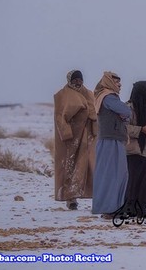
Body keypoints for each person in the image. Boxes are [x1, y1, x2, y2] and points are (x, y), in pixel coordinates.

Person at [53, 70, 97, 210]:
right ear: (69, 80)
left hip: (87, 135)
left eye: (80, 79)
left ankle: (90, 194)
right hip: (71, 138)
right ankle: (70, 198)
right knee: (69, 165)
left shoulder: (89, 94)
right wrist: (66, 134)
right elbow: (60, 116)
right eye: (75, 79)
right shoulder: (62, 95)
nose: (78, 82)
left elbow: (94, 112)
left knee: (88, 165)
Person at [91, 71, 131, 218]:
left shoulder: (106, 96)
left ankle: (112, 208)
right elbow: (126, 111)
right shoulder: (108, 97)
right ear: (109, 82)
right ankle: (109, 209)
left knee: (115, 174)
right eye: (117, 82)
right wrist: (124, 114)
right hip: (110, 140)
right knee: (112, 175)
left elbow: (125, 114)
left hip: (111, 139)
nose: (119, 85)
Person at [125, 80, 146, 215]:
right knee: (134, 180)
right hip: (136, 149)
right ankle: (129, 208)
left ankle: (141, 208)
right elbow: (124, 127)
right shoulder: (129, 108)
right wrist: (140, 130)